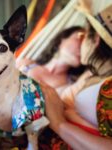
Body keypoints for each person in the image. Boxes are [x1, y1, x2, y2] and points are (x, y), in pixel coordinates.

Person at [43, 0, 112, 149]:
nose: (81, 45)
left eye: (84, 36)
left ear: (96, 40)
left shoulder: (105, 85)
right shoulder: (97, 79)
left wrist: (59, 123)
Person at [16, 26, 88, 95]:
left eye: (87, 44)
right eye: (80, 38)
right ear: (62, 39)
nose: (84, 46)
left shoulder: (70, 88)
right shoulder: (25, 64)